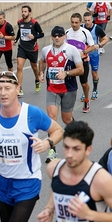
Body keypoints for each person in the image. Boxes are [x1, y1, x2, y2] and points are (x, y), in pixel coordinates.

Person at [0, 71, 64, 222]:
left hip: (28, 182)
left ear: (18, 89)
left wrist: (47, 143)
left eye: (8, 88)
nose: (3, 92)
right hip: (2, 182)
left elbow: (58, 130)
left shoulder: (31, 113)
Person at [38, 26, 84, 163]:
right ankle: (52, 150)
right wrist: (41, 72)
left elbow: (80, 69)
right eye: (54, 35)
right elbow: (42, 61)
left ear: (64, 36)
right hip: (52, 89)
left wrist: (66, 73)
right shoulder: (46, 50)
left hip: (68, 89)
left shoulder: (71, 50)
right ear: (51, 37)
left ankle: (78, 132)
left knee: (66, 119)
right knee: (51, 118)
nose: (57, 38)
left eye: (59, 35)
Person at [66, 13, 96, 113]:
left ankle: (86, 100)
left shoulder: (85, 32)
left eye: (76, 23)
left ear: (80, 22)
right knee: (69, 83)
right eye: (72, 22)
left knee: (83, 83)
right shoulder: (67, 32)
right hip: (70, 62)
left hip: (82, 61)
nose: (74, 24)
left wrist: (83, 52)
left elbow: (92, 46)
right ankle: (68, 104)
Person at [14, 5, 44, 96]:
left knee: (34, 67)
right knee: (19, 67)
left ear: (30, 13)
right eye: (22, 11)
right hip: (22, 47)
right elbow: (20, 31)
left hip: (32, 49)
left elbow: (42, 34)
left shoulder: (34, 23)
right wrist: (16, 39)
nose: (23, 13)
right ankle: (19, 87)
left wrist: (34, 36)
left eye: (25, 11)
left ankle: (37, 80)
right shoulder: (20, 22)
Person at [82, 12, 109, 100]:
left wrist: (100, 45)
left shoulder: (97, 28)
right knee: (84, 74)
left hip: (94, 54)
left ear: (92, 20)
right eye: (85, 20)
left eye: (89, 20)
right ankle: (85, 91)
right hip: (84, 55)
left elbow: (106, 38)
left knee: (94, 73)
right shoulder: (81, 28)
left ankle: (95, 90)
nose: (87, 22)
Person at [0, 11, 15, 90]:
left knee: (9, 65)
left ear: (4, 18)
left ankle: (12, 78)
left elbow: (13, 37)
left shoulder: (8, 26)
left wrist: (3, 37)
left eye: (0, 18)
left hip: (7, 48)